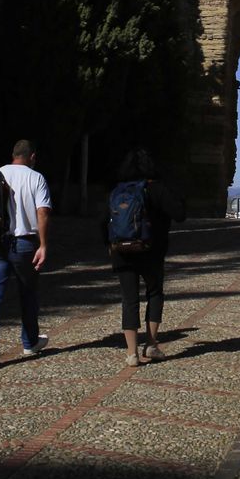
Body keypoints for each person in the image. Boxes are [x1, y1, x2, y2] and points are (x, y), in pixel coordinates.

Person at [107, 148, 185, 367]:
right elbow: (180, 214)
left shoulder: (118, 190)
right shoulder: (157, 188)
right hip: (152, 250)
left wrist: (109, 245)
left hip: (122, 251)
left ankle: (131, 353)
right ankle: (151, 344)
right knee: (154, 293)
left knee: (129, 299)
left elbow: (104, 221)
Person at [0, 140, 52, 367]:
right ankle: (30, 342)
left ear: (13, 155)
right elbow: (43, 212)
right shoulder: (36, 177)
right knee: (28, 294)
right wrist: (43, 244)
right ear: (32, 156)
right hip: (24, 243)